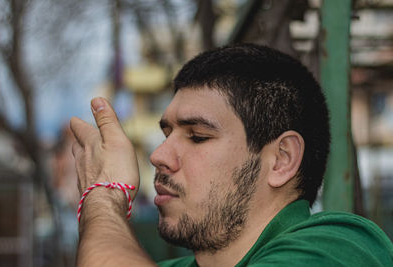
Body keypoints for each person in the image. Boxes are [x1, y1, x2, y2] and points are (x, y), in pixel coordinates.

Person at [70, 44, 393, 267]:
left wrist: (103, 195)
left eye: (197, 136)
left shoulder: (340, 249)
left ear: (282, 159)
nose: (159, 155)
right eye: (166, 134)